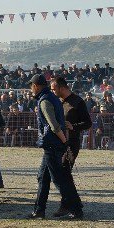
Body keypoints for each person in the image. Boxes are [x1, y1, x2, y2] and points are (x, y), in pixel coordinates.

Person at [27, 74, 83, 220]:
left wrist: (65, 143)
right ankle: (39, 210)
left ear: (36, 86)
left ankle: (76, 209)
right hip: (52, 145)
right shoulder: (52, 98)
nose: (31, 89)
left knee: (60, 180)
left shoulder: (45, 101)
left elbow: (54, 126)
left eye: (31, 86)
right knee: (43, 178)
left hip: (52, 144)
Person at [51, 77, 92, 165]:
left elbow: (88, 123)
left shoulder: (78, 102)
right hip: (56, 142)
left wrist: (73, 126)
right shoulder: (57, 101)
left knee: (64, 172)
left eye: (54, 90)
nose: (52, 92)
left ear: (61, 89)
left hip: (71, 143)